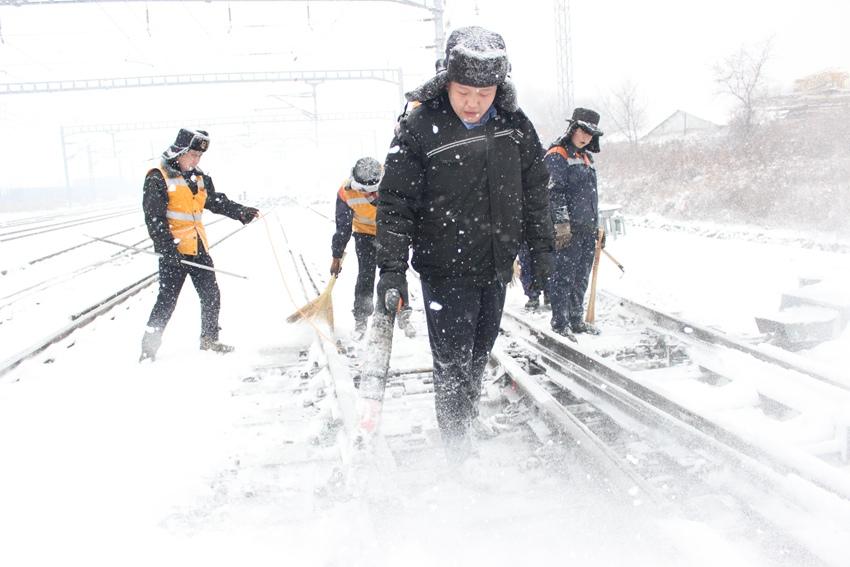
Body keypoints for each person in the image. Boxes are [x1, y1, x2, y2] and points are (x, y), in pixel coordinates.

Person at [374, 26, 554, 462]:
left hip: (495, 265)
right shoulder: (418, 127)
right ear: (447, 83)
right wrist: (392, 269)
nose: (473, 102)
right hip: (445, 268)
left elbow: (535, 189)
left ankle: (467, 419)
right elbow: (395, 203)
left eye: (484, 92)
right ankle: (457, 447)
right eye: (463, 92)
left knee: (478, 353)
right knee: (452, 363)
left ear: (499, 87)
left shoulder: (515, 125)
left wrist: (540, 250)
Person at [139, 128, 259, 362]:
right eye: (192, 155)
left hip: (198, 248)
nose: (196, 160)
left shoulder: (200, 178)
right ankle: (148, 350)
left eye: (199, 156)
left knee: (211, 295)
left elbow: (215, 201)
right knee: (166, 302)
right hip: (173, 252)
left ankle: (209, 340)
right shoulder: (158, 177)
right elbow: (154, 219)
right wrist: (167, 250)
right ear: (180, 152)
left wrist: (240, 212)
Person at [545, 108, 605, 338]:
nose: (585, 137)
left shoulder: (587, 158)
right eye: (582, 131)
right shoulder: (557, 154)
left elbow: (591, 196)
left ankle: (576, 319)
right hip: (567, 230)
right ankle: (560, 323)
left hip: (587, 229)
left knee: (581, 276)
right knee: (563, 276)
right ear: (573, 129)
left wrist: (598, 227)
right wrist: (561, 225)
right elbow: (554, 192)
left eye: (590, 134)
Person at [330, 157, 383, 338]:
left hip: (390, 231)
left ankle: (399, 313)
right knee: (366, 275)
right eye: (363, 190)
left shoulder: (393, 178)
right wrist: (336, 256)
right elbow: (343, 228)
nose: (368, 195)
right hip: (364, 235)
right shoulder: (346, 193)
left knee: (392, 273)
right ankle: (361, 319)